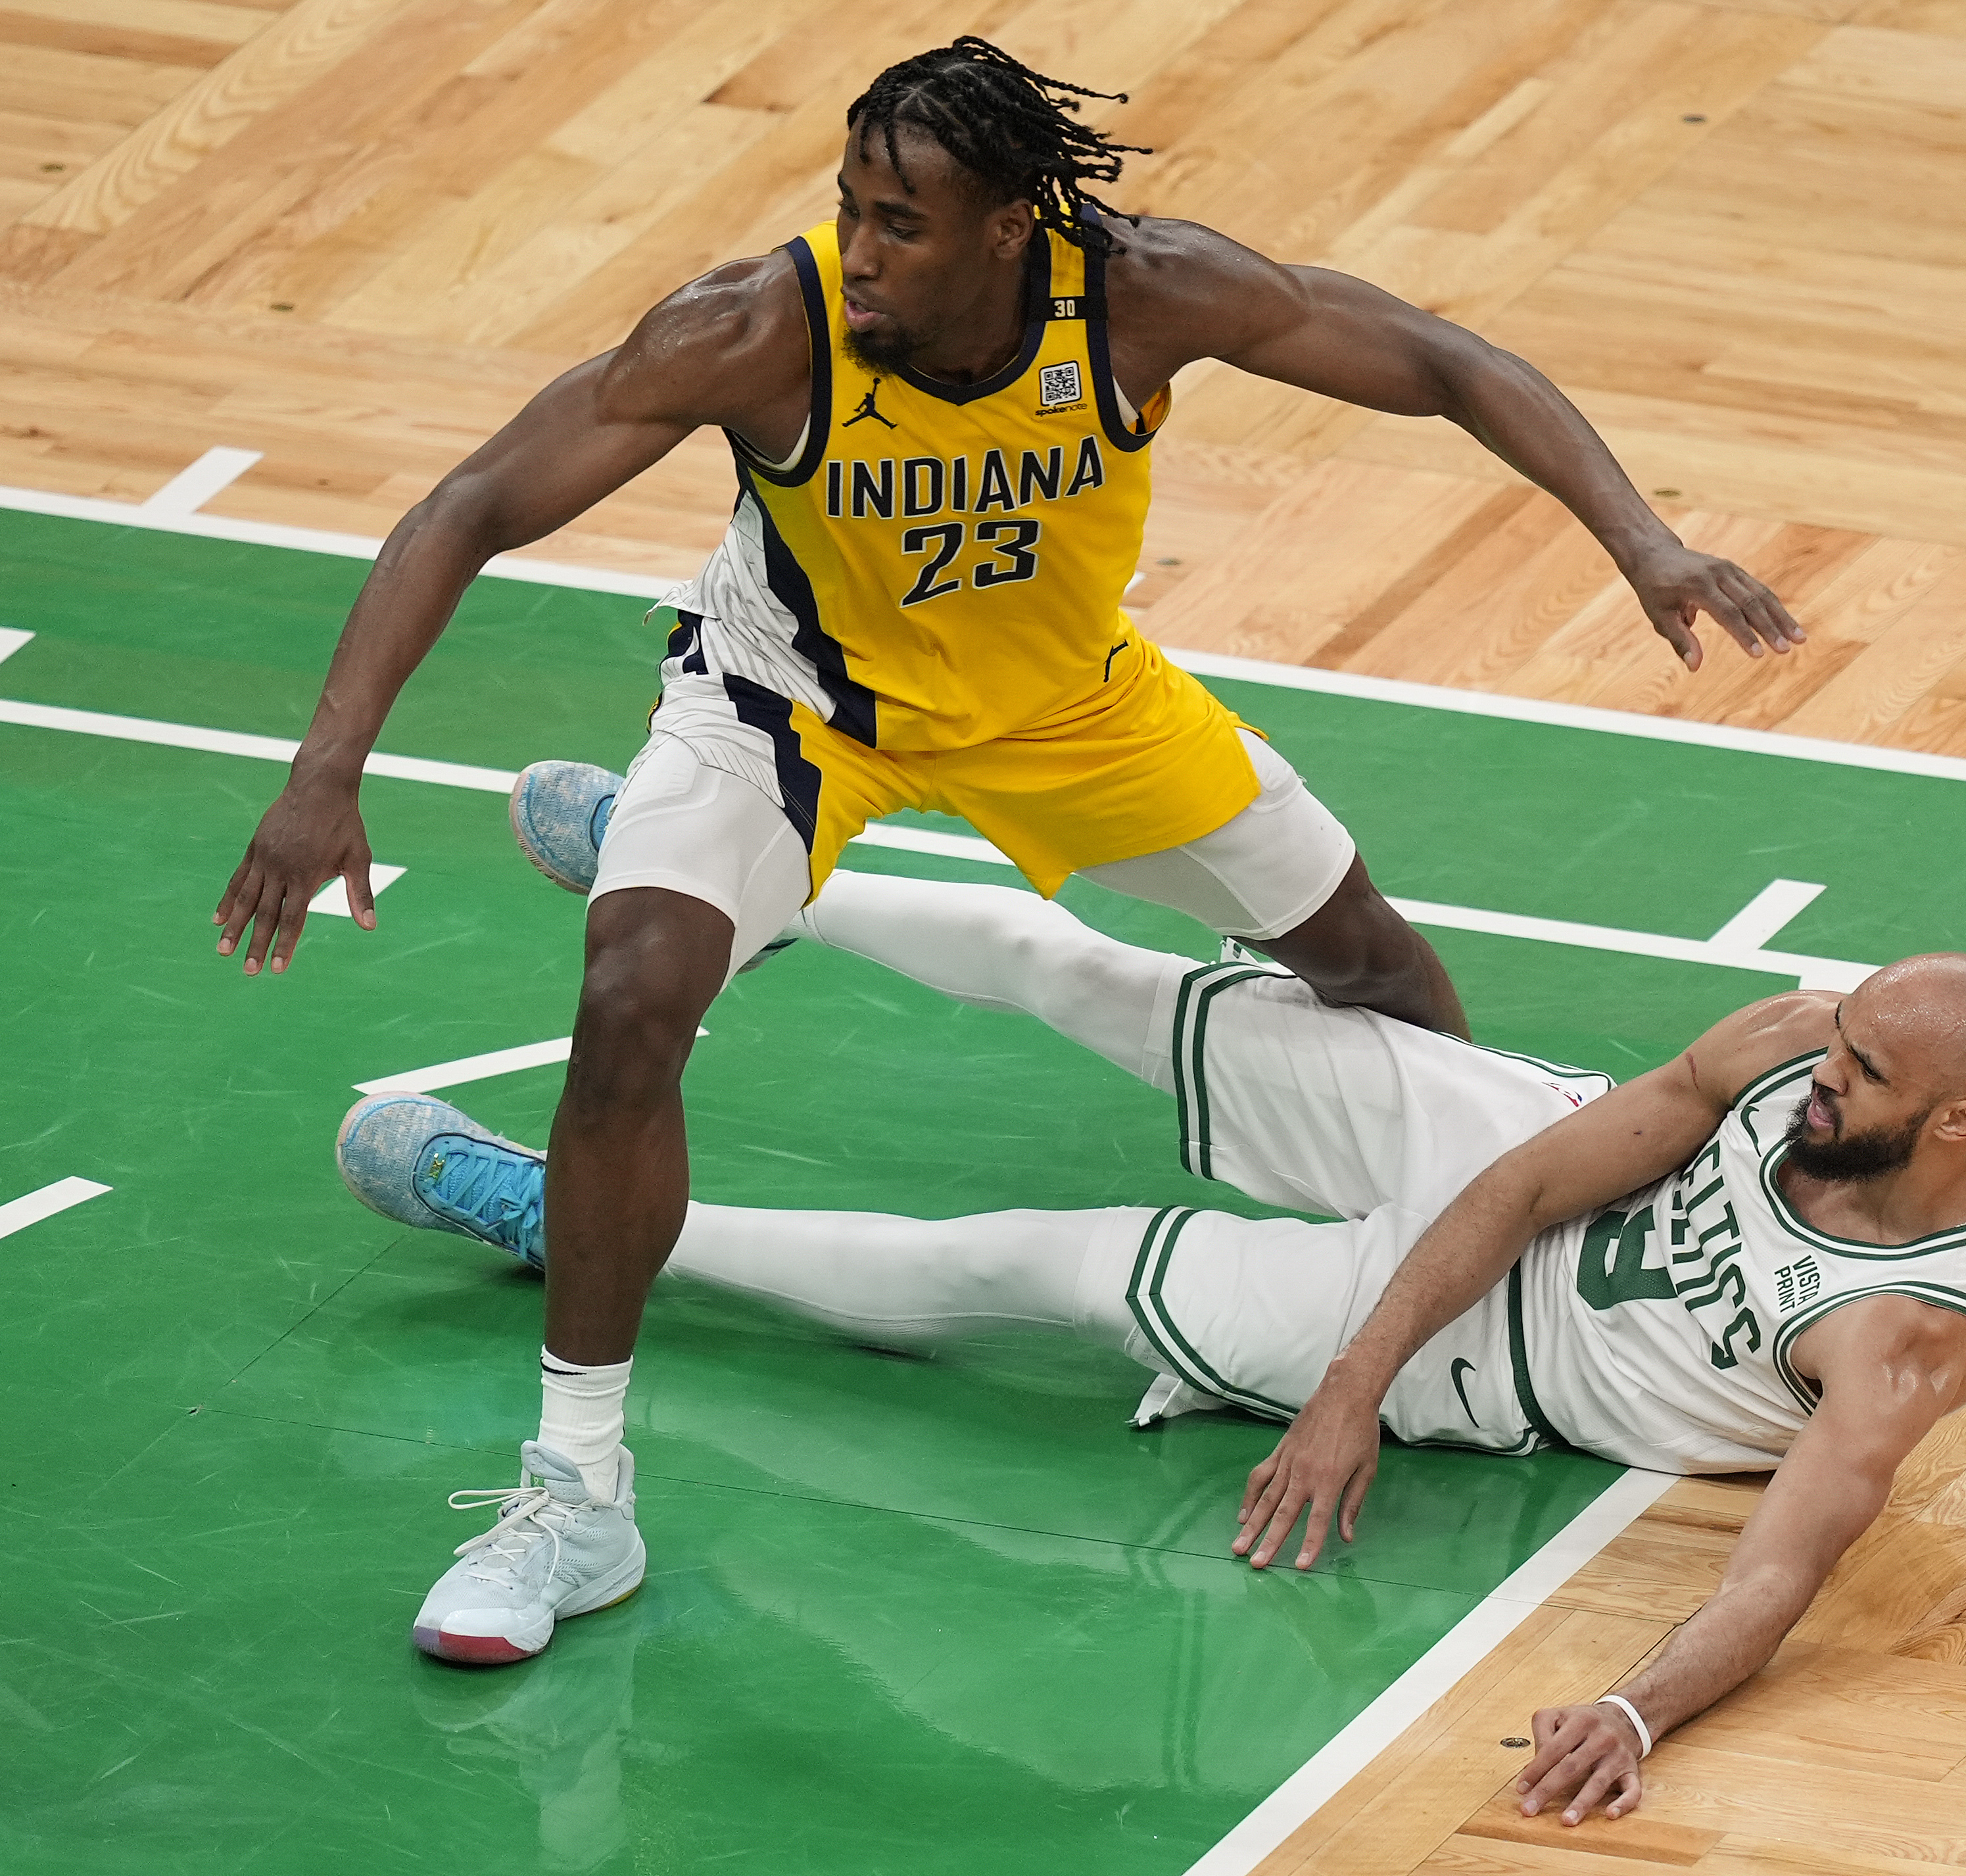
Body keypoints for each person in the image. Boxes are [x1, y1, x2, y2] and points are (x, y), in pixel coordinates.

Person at [220, 37, 1806, 1665]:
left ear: (1008, 232)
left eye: (900, 221)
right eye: (848, 208)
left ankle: (1426, 1284)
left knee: (1376, 972)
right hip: (793, 711)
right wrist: (324, 769)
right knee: (631, 998)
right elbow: (474, 501)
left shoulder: (1140, 295)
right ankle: (578, 1495)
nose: (859, 249)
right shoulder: (760, 331)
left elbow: (1443, 359)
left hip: (1070, 703)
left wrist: (1646, 540)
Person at [342, 869, 1966, 1823]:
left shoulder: (1904, 1339)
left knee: (1024, 1265)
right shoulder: (1802, 1042)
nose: (1823, 1068)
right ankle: (708, 876)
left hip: (1500, 1374)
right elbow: (1525, 1177)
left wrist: (1637, 1710)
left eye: (1866, 1077)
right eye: (1837, 1035)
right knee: (1092, 972)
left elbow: (1775, 1578)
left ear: (1954, 1119)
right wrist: (1347, 1385)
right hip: (1493, 1158)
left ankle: (555, 1215)